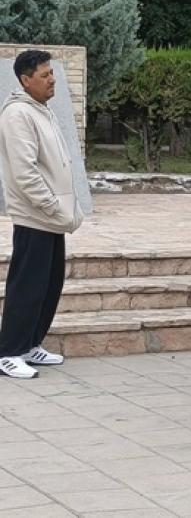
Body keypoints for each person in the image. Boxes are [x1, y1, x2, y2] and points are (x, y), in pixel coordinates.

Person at [0, 50, 83, 378]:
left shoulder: (41, 110)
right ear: (25, 79)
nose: (53, 80)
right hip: (35, 216)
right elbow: (26, 173)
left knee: (49, 283)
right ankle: (8, 351)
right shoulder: (18, 114)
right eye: (46, 75)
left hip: (52, 217)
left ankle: (31, 343)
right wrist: (50, 205)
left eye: (52, 73)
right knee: (28, 285)